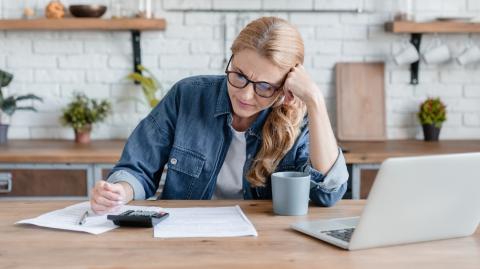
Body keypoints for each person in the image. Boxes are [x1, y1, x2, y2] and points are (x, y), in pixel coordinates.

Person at [90, 16, 349, 214]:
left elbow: (328, 193)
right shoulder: (187, 95)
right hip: (185, 236)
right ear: (231, 60)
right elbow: (138, 168)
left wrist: (314, 99)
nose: (245, 95)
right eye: (238, 75)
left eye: (264, 87)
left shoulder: (297, 116)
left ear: (285, 88)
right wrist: (119, 191)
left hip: (265, 245)